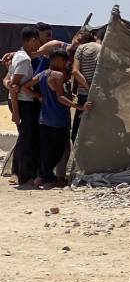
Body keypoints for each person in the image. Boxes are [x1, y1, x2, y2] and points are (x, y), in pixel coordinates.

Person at [20, 49, 89, 188]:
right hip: (58, 119)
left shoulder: (42, 74)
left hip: (44, 119)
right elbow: (60, 98)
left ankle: (42, 177)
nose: (65, 64)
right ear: (57, 60)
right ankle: (49, 179)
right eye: (64, 61)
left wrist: (38, 96)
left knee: (46, 150)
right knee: (58, 151)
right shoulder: (57, 75)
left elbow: (24, 87)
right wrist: (79, 106)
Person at [8, 26, 44, 186]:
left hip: (21, 102)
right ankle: (25, 176)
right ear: (32, 40)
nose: (39, 45)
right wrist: (16, 113)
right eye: (38, 41)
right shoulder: (24, 60)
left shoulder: (18, 56)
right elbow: (15, 88)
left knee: (25, 138)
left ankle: (23, 174)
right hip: (22, 103)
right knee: (26, 140)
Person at [71, 28, 101, 141]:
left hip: (85, 96)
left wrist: (89, 89)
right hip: (101, 96)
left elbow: (75, 71)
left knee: (78, 134)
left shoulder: (81, 48)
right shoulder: (105, 50)